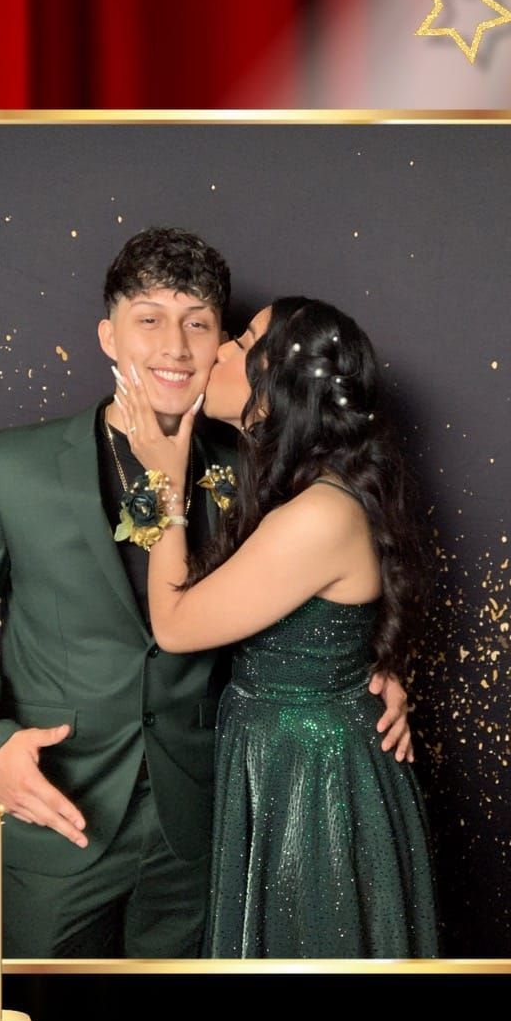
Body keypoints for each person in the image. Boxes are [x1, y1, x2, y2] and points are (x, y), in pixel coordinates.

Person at [0, 228, 412, 958]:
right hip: (54, 811)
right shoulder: (6, 464)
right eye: (149, 320)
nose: (176, 347)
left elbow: (310, 602)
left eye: (203, 325)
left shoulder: (265, 478)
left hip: (209, 821)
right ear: (108, 336)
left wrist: (373, 674)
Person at [115, 296, 439, 957]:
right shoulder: (299, 486)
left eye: (241, 342)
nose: (221, 350)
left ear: (273, 393)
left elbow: (174, 627)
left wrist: (158, 480)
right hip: (287, 761)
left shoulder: (318, 513)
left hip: (311, 788)